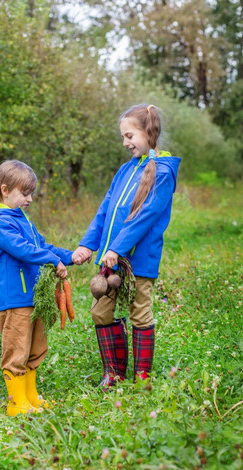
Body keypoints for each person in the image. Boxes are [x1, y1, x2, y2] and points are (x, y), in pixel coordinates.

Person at [72, 104, 181, 387]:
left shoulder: (163, 171)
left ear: (149, 132)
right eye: (123, 136)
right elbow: (104, 209)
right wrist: (88, 245)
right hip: (110, 260)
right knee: (100, 312)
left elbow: (144, 218)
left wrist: (117, 248)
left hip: (137, 260)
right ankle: (114, 374)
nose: (125, 142)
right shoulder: (125, 170)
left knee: (139, 313)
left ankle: (142, 378)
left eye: (130, 135)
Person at [0, 160, 73, 415]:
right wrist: (53, 260)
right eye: (24, 193)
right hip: (14, 297)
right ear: (5, 190)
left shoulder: (22, 219)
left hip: (33, 296)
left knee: (34, 347)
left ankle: (30, 396)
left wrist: (70, 256)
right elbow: (22, 249)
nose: (29, 199)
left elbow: (42, 246)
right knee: (17, 347)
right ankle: (16, 403)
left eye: (31, 193)